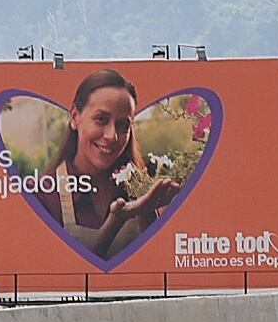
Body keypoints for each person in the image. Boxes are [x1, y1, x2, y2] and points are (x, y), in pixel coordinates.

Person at [39, 69, 184, 262]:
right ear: (74, 117)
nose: (112, 136)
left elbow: (160, 262)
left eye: (123, 125)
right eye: (101, 119)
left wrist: (150, 212)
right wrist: (116, 221)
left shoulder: (145, 190)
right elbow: (62, 271)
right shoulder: (43, 196)